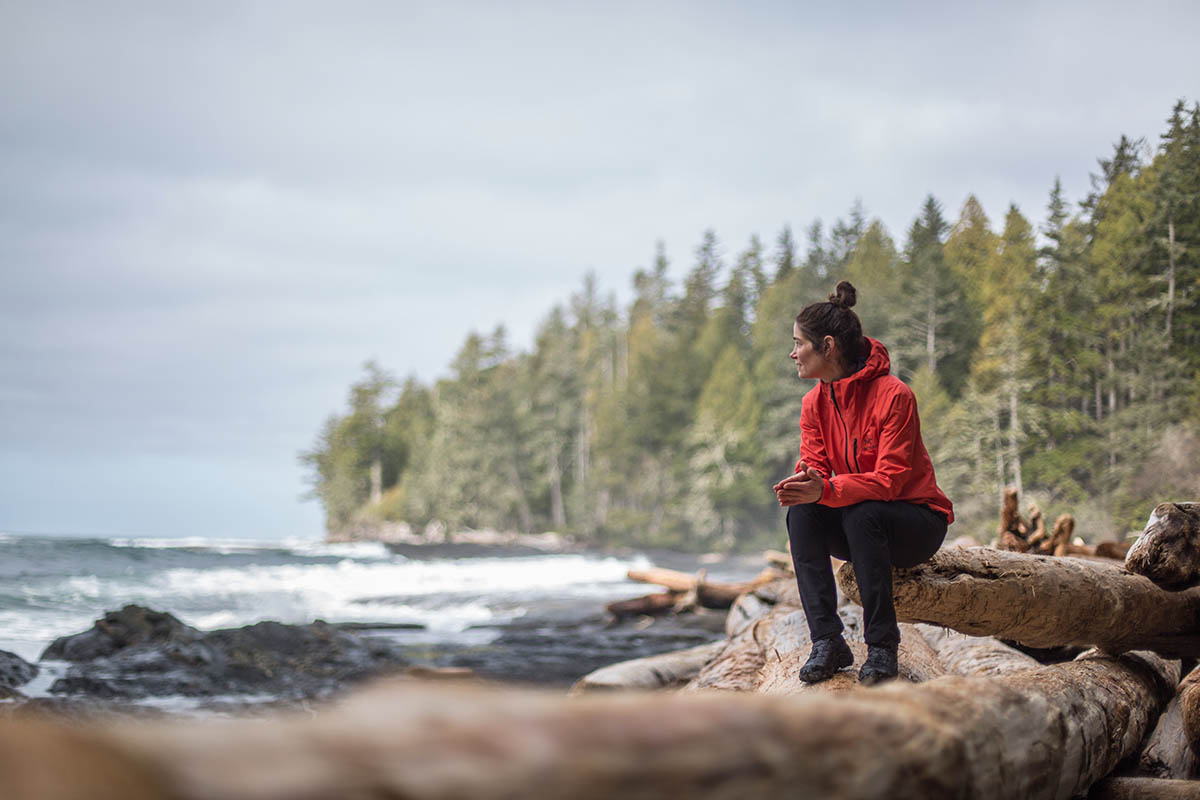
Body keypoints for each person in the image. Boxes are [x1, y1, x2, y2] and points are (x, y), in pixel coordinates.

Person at [772, 281, 953, 685]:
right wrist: (807, 482)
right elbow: (817, 463)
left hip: (916, 525)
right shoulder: (813, 403)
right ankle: (827, 641)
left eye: (799, 343)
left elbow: (890, 482)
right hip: (860, 518)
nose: (793, 352)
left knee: (862, 513)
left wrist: (829, 490)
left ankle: (883, 646)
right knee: (802, 514)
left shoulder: (894, 396)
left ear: (828, 346)